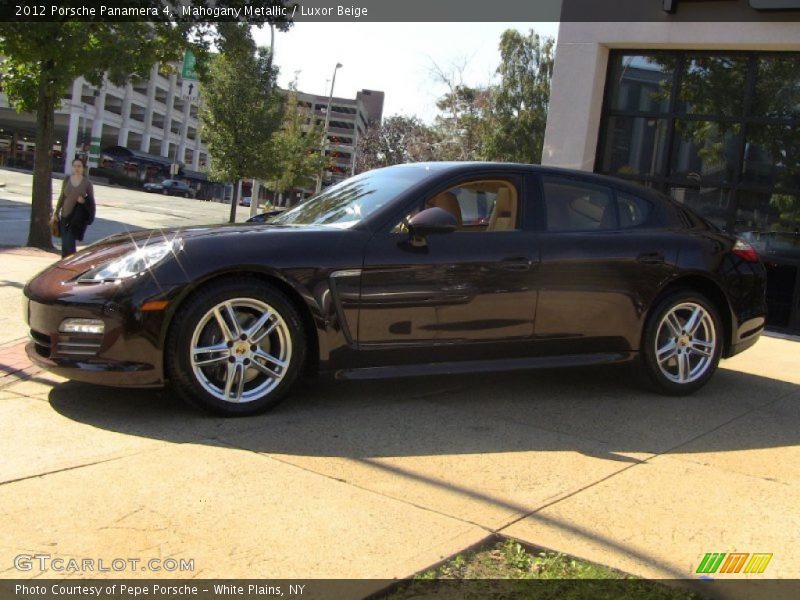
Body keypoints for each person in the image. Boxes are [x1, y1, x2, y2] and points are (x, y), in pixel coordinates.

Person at [52, 158, 96, 258]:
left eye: (79, 166)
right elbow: (62, 196)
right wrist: (56, 213)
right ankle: (64, 265)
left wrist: (84, 201)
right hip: (64, 216)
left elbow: (91, 202)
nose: (76, 168)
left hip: (76, 218)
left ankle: (72, 264)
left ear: (83, 168)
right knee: (64, 244)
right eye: (75, 166)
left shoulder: (87, 183)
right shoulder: (67, 179)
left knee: (70, 243)